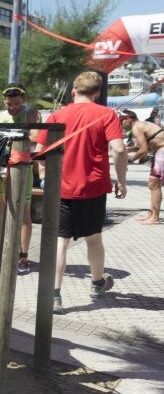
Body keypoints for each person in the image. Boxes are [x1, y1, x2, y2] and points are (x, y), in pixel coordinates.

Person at [35, 71, 127, 314]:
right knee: (93, 237)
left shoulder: (57, 115)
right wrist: (122, 180)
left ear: (74, 91)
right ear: (97, 93)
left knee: (59, 242)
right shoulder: (106, 114)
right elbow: (119, 149)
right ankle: (97, 283)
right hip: (93, 187)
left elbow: (39, 150)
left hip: (60, 188)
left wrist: (45, 178)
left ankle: (54, 296)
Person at [0, 82, 41, 274]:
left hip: (21, 167)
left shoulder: (31, 114)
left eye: (15, 104)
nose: (12, 108)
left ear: (23, 100)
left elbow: (35, 137)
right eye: (8, 104)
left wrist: (11, 136)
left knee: (22, 213)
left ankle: (23, 257)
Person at [119, 110, 164, 224]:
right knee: (154, 184)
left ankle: (155, 217)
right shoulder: (142, 125)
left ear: (129, 119)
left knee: (154, 184)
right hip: (159, 151)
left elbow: (143, 151)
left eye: (121, 121)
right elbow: (149, 146)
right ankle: (152, 213)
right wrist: (132, 149)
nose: (120, 124)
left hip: (162, 152)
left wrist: (130, 159)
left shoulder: (136, 127)